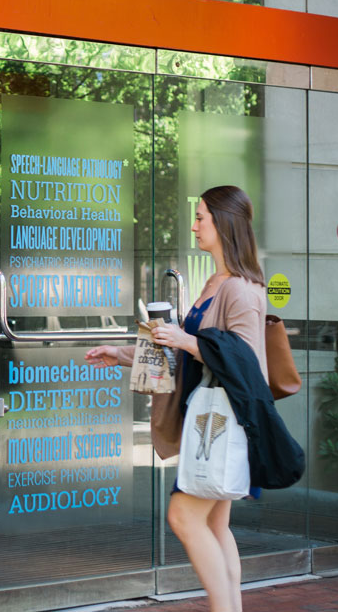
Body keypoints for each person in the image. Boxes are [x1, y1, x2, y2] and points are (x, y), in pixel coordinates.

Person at [85, 185, 268, 612]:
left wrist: (184, 339)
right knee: (216, 524)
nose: (194, 225)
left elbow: (244, 360)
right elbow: (185, 353)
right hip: (212, 420)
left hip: (221, 423)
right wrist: (122, 355)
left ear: (224, 223)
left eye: (201, 217)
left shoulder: (240, 290)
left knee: (183, 516)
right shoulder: (217, 282)